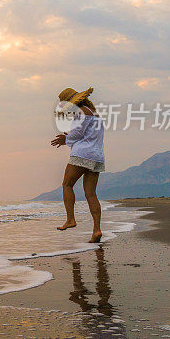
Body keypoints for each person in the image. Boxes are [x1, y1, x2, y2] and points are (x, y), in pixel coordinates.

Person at [50, 87, 105, 243]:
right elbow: (86, 134)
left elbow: (77, 134)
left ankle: (70, 219)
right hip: (97, 156)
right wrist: (70, 136)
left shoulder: (81, 112)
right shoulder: (94, 114)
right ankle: (96, 230)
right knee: (91, 194)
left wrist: (65, 139)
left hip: (82, 154)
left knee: (67, 184)